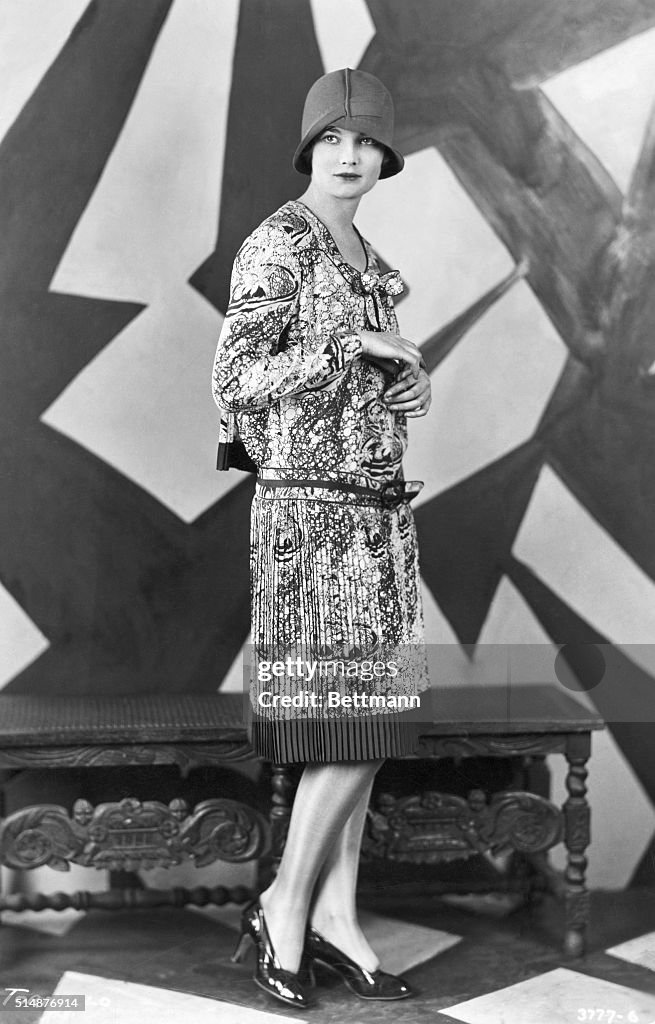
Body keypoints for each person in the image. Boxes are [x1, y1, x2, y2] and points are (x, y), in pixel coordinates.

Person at [212, 67, 432, 1009]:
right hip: (309, 514)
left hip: (375, 507)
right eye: (332, 140)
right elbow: (234, 378)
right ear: (310, 148)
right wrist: (354, 347)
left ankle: (337, 917)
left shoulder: (369, 260)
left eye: (366, 141)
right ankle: (285, 905)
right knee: (346, 719)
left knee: (369, 726)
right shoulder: (282, 243)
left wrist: (405, 387)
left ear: (385, 154)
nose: (349, 156)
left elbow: (358, 383)